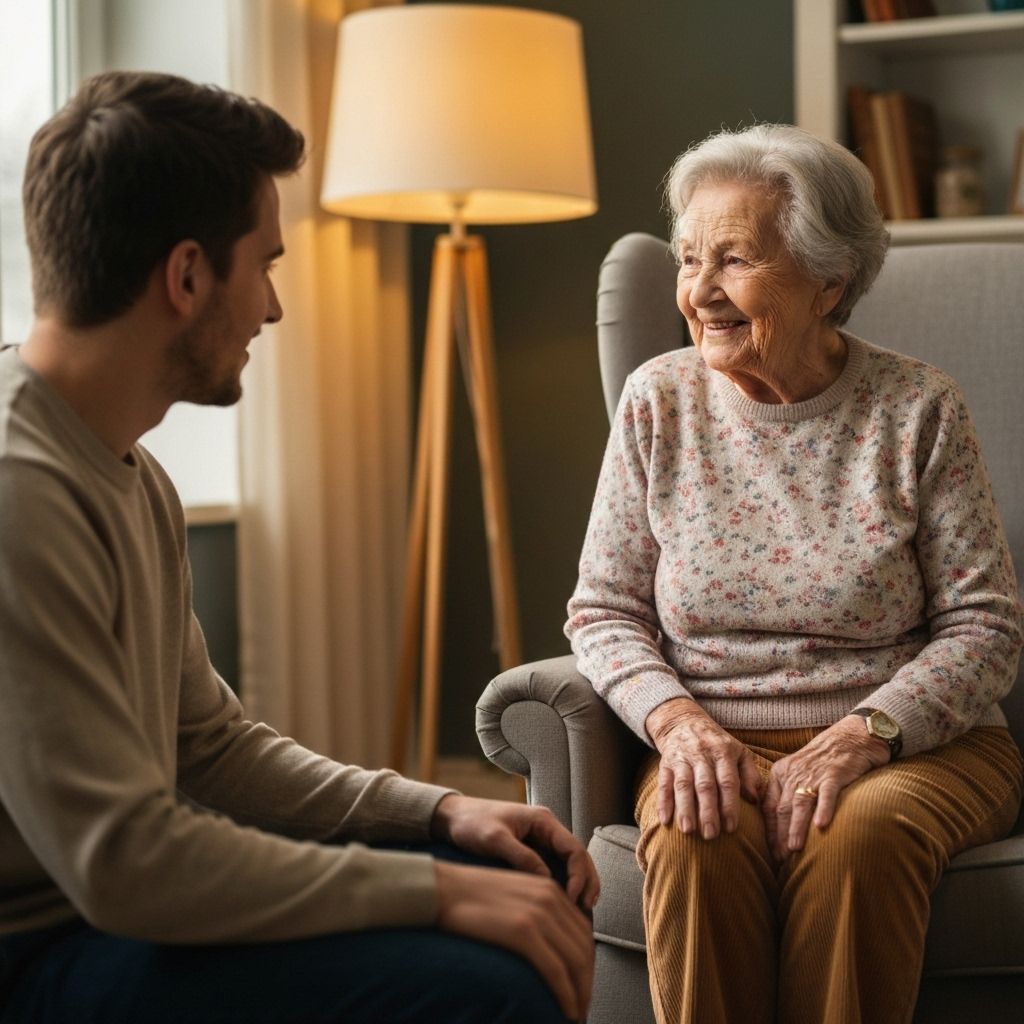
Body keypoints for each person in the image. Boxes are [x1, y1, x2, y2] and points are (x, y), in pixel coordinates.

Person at [0, 70, 598, 1024]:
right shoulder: (17, 492)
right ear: (188, 276)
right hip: (38, 948)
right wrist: (440, 895)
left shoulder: (129, 469)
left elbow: (212, 747)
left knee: (515, 864)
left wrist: (442, 814)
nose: (272, 311)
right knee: (486, 983)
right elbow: (125, 862)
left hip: (107, 909)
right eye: (266, 266)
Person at [565, 123, 1023, 1024]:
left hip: (912, 746)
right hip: (715, 737)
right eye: (690, 258)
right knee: (695, 833)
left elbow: (986, 628)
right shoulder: (659, 401)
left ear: (829, 282)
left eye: (733, 260)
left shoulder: (918, 410)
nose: (698, 292)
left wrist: (862, 736)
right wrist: (680, 728)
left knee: (855, 834)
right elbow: (603, 611)